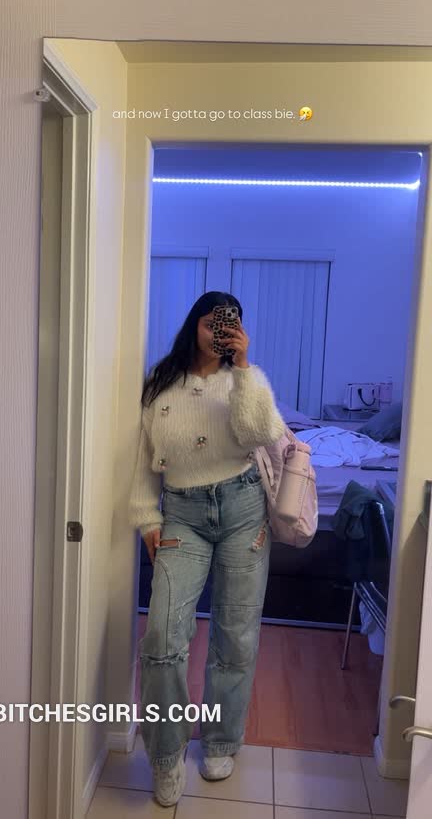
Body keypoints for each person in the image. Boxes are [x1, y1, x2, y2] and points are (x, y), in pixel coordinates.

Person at [128, 290, 286, 807]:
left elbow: (258, 432)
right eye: (213, 321)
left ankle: (220, 740)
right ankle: (165, 756)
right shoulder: (161, 381)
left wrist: (243, 368)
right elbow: (143, 456)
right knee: (161, 635)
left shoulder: (245, 378)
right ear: (195, 323)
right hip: (182, 515)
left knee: (235, 636)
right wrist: (146, 517)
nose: (220, 330)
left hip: (243, 509)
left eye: (231, 322)